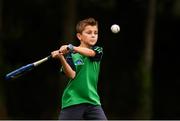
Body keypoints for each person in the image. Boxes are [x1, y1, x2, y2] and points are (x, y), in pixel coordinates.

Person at [51, 17, 107, 120]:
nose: (93, 35)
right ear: (79, 36)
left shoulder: (98, 50)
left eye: (96, 33)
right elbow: (71, 74)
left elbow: (91, 53)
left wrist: (72, 48)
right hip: (73, 100)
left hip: (93, 101)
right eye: (89, 32)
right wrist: (61, 58)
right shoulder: (71, 55)